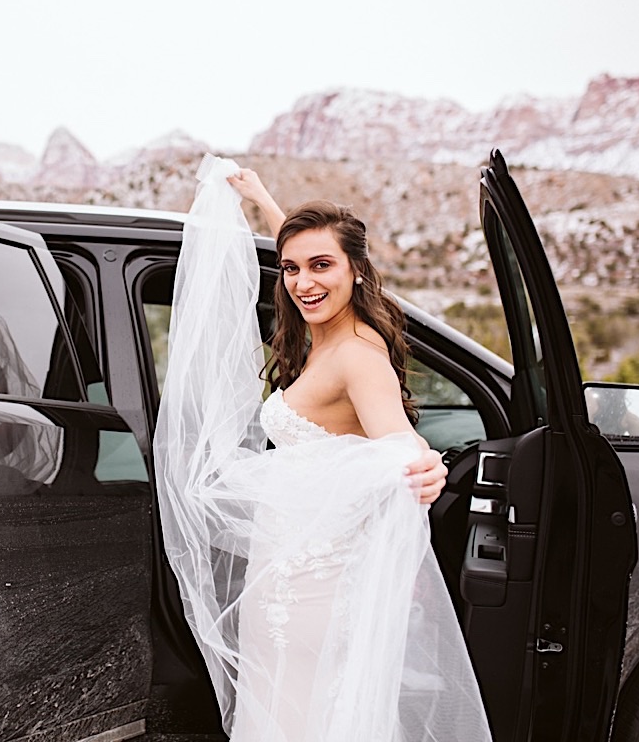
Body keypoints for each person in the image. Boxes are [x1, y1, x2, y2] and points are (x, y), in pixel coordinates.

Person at [153, 155, 491, 741]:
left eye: (320, 267)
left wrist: (426, 464)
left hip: (312, 592)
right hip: (287, 572)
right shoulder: (329, 326)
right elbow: (312, 256)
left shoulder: (358, 354)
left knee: (299, 720)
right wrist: (263, 199)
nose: (303, 282)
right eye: (290, 269)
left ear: (356, 270)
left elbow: (399, 441)